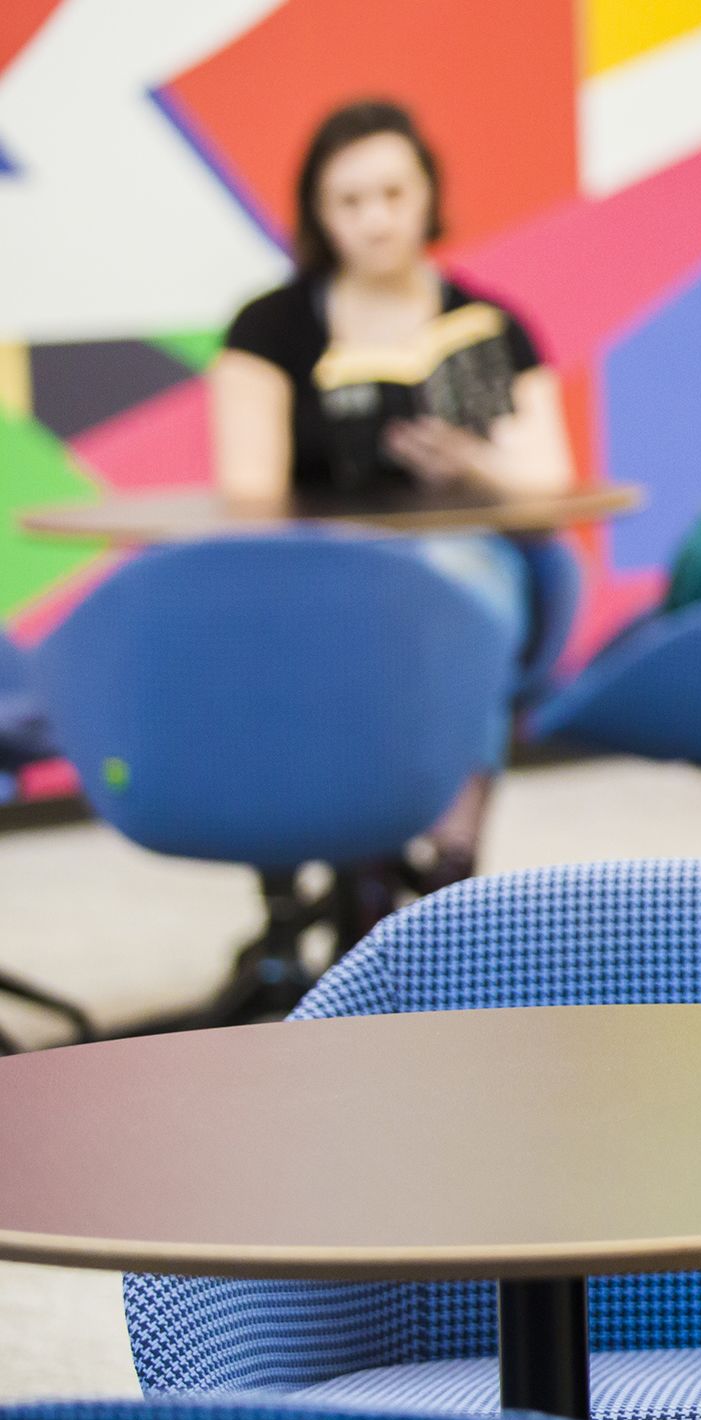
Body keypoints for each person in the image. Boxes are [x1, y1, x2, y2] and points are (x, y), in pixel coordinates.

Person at [210, 98, 574, 888]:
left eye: (393, 195)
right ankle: (369, 858)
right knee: (413, 606)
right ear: (317, 212)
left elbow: (552, 483)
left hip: (464, 572)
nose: (376, 221)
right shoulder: (268, 330)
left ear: (427, 197)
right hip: (320, 578)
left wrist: (472, 462)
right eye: (349, 201)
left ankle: (452, 858)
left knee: (474, 587)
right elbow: (248, 496)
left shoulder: (489, 327)